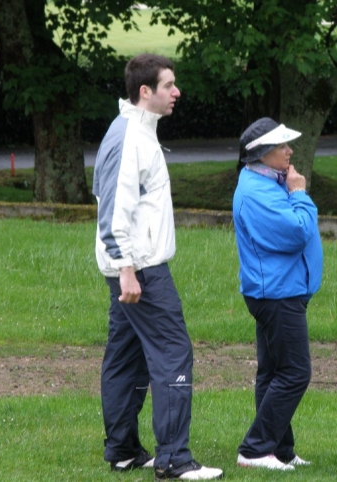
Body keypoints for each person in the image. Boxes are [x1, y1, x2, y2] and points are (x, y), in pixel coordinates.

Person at [92, 53, 223, 481]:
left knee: (127, 358)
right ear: (145, 91)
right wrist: (125, 268)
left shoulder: (132, 130)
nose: (177, 92)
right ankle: (174, 460)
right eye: (169, 85)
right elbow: (113, 207)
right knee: (173, 353)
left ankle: (124, 451)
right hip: (141, 271)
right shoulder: (131, 136)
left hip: (132, 268)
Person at [232, 117, 324, 471]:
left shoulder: (268, 182)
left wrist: (291, 188)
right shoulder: (257, 194)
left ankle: (279, 450)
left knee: (272, 374)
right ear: (262, 154)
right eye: (282, 146)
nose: (290, 151)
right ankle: (255, 449)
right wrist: (300, 194)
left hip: (278, 291)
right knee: (295, 373)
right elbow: (297, 232)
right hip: (277, 295)